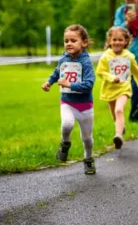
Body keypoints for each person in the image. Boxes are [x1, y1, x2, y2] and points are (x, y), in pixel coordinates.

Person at [41, 24, 97, 174]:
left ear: (84, 43)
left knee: (87, 139)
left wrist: (70, 84)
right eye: (66, 41)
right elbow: (56, 72)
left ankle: (88, 159)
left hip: (85, 106)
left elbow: (89, 84)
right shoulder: (63, 58)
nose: (69, 44)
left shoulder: (86, 62)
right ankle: (65, 144)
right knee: (67, 124)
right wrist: (49, 82)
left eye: (73, 40)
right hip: (67, 102)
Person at [95, 26, 138, 150]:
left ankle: (118, 136)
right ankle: (120, 127)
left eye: (120, 40)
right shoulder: (106, 56)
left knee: (119, 110)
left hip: (124, 88)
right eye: (114, 39)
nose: (117, 42)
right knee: (114, 114)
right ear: (109, 41)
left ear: (126, 41)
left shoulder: (129, 56)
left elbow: (136, 70)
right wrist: (111, 78)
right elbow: (100, 72)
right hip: (110, 89)